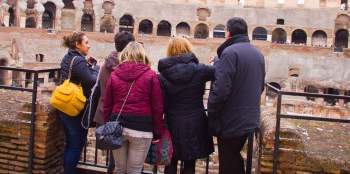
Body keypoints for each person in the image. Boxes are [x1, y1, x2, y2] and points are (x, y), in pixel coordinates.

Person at [207, 17, 265, 174]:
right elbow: (260, 86)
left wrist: (212, 112)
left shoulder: (229, 52)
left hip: (231, 119)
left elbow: (221, 89)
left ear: (228, 33)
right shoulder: (258, 54)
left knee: (228, 162)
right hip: (249, 117)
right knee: (233, 157)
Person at [158, 37, 216, 174]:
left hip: (172, 122)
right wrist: (216, 60)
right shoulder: (201, 70)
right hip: (196, 121)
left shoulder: (163, 75)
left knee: (170, 161)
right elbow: (220, 71)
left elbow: (163, 103)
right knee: (190, 162)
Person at [104, 41, 163, 174]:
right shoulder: (151, 74)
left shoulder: (115, 74)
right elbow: (157, 107)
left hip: (117, 125)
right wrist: (157, 131)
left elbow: (108, 103)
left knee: (119, 168)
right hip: (141, 127)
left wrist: (108, 125)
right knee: (134, 170)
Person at [57, 32, 99, 174]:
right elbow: (90, 81)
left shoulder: (68, 57)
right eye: (86, 42)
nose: (89, 45)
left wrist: (88, 66)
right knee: (76, 145)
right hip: (74, 107)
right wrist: (97, 68)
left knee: (70, 144)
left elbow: (76, 76)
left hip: (64, 105)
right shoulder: (78, 60)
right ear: (77, 44)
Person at [93, 31, 135, 174]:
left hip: (105, 114)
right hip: (119, 116)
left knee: (115, 160)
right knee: (121, 162)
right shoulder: (125, 68)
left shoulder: (107, 62)